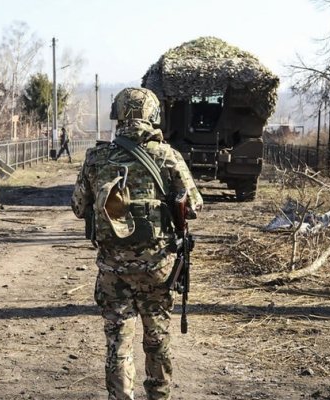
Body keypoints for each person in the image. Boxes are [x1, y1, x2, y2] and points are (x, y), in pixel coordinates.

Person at [71, 87, 203, 400]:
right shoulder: (168, 155)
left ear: (117, 115)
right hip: (157, 267)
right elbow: (194, 206)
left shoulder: (96, 158)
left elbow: (78, 207)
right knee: (157, 338)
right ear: (153, 115)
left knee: (118, 342)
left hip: (113, 270)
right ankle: (159, 395)